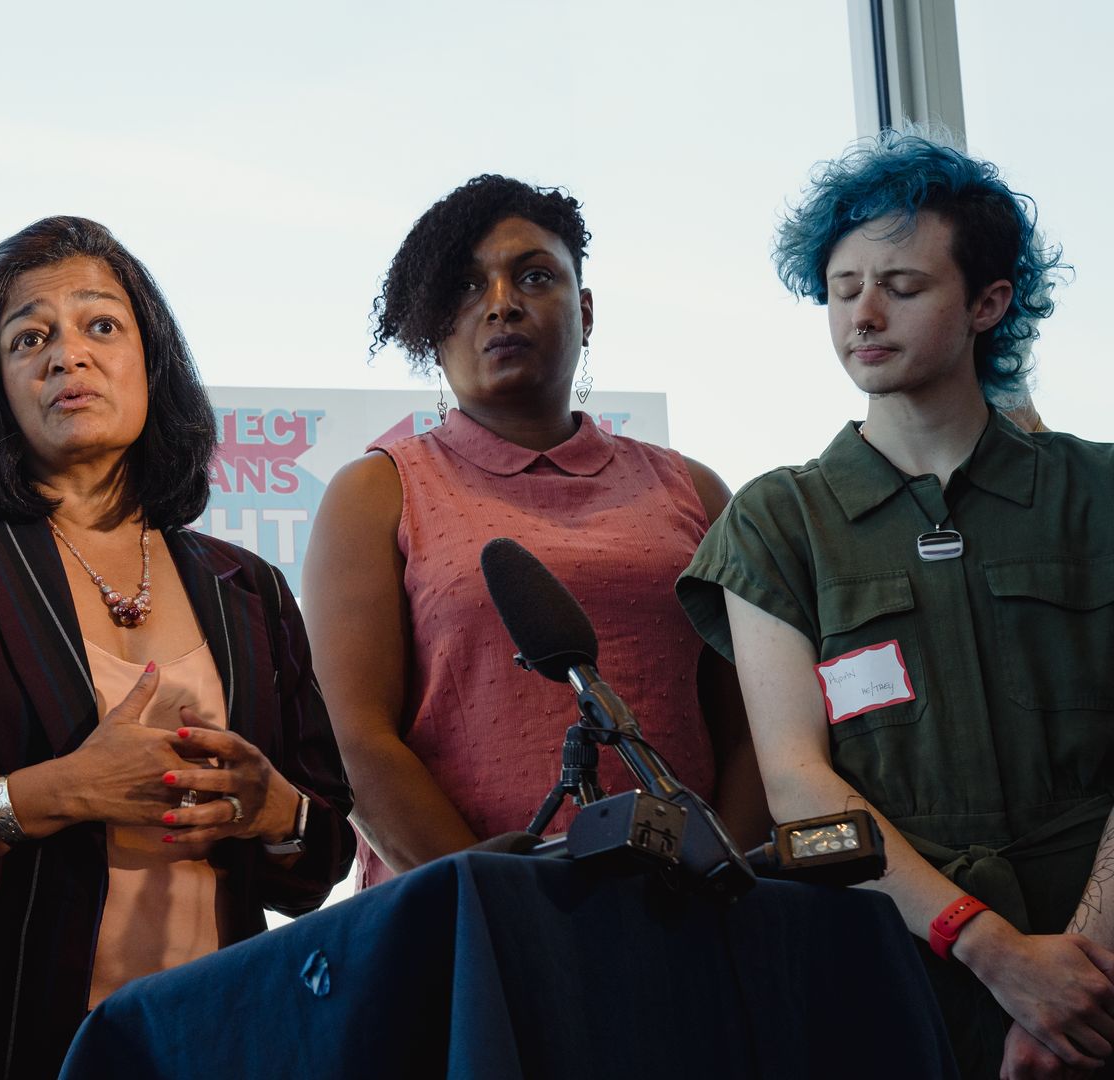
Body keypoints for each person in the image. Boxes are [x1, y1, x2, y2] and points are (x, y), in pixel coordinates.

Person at [0, 215, 354, 1078]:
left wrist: (273, 810)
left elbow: (316, 856)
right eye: (30, 336)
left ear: (152, 362)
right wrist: (55, 791)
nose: (67, 354)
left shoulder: (248, 586)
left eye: (101, 325)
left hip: (207, 1041)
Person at [677, 132, 1113, 1079]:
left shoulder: (1099, 493)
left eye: (903, 288)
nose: (863, 315)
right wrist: (999, 958)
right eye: (841, 290)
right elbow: (797, 786)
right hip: (892, 974)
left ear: (988, 303)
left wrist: (1077, 976)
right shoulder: (776, 522)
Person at [302, 175, 769, 888]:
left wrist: (727, 885)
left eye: (534, 276)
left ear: (584, 308)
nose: (501, 304)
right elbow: (353, 741)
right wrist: (488, 894)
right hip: (468, 924)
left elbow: (751, 731)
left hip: (688, 918)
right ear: (431, 326)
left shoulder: (695, 491)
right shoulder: (376, 493)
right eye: (464, 287)